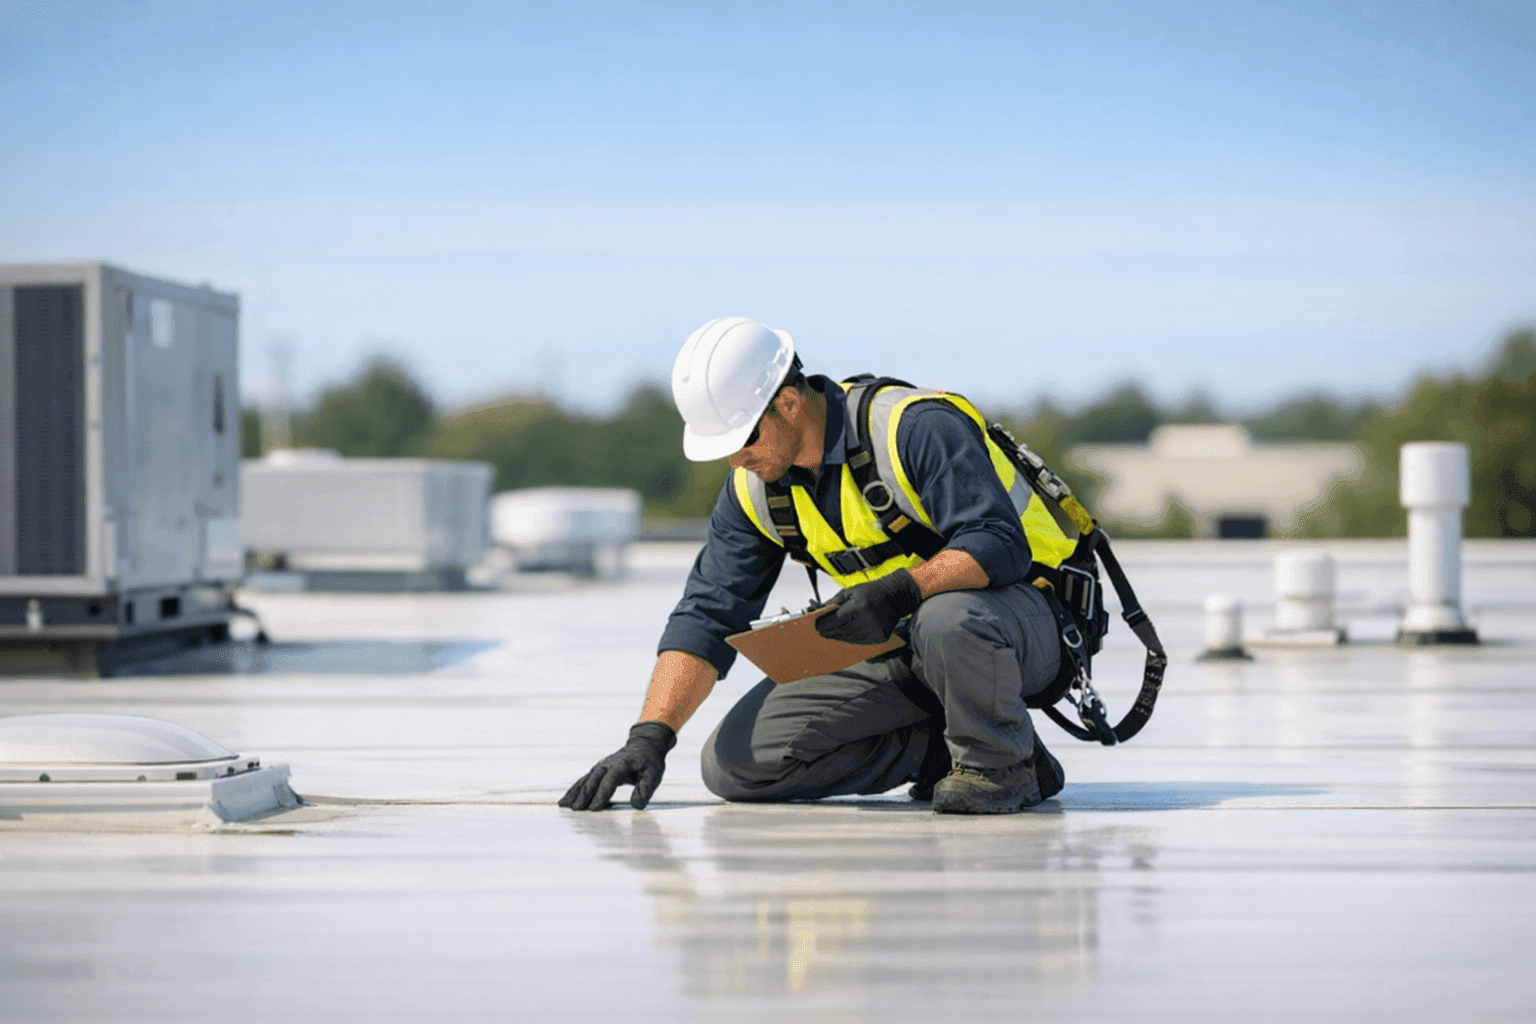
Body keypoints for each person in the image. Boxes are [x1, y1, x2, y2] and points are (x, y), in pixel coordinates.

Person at [560, 316, 1067, 815]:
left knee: (947, 618)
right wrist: (650, 737)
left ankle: (1001, 766)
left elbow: (998, 543)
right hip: (904, 636)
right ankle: (940, 750)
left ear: (788, 401)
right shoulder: (754, 489)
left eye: (744, 440)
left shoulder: (912, 428)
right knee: (734, 765)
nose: (736, 461)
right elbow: (707, 616)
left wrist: (902, 590)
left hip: (1024, 622)